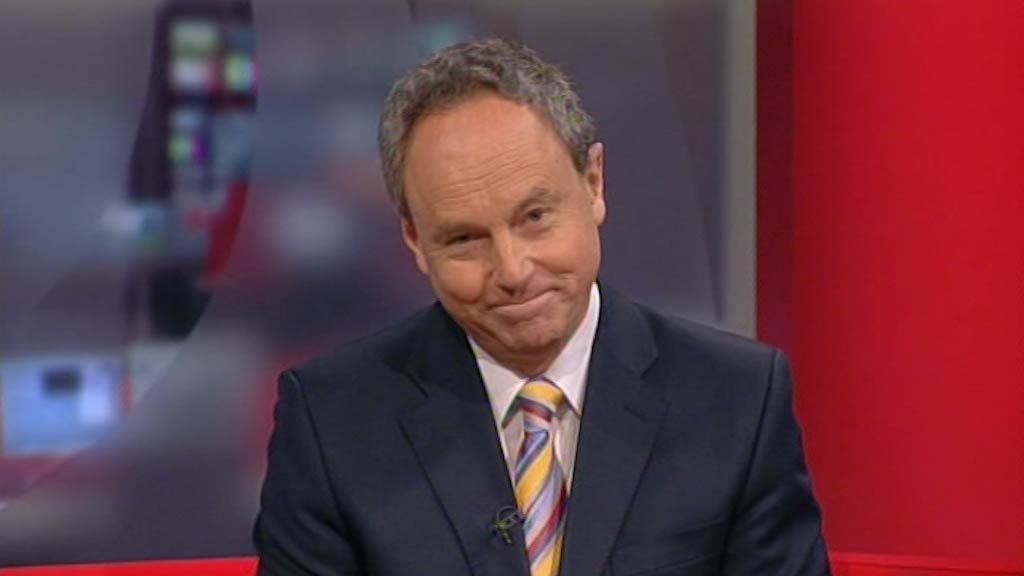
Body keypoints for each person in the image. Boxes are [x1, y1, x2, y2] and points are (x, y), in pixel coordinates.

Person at [254, 38, 829, 576]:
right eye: (464, 239)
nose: (512, 271)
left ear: (594, 183)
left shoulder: (736, 399)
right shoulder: (333, 422)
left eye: (534, 217)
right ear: (414, 241)